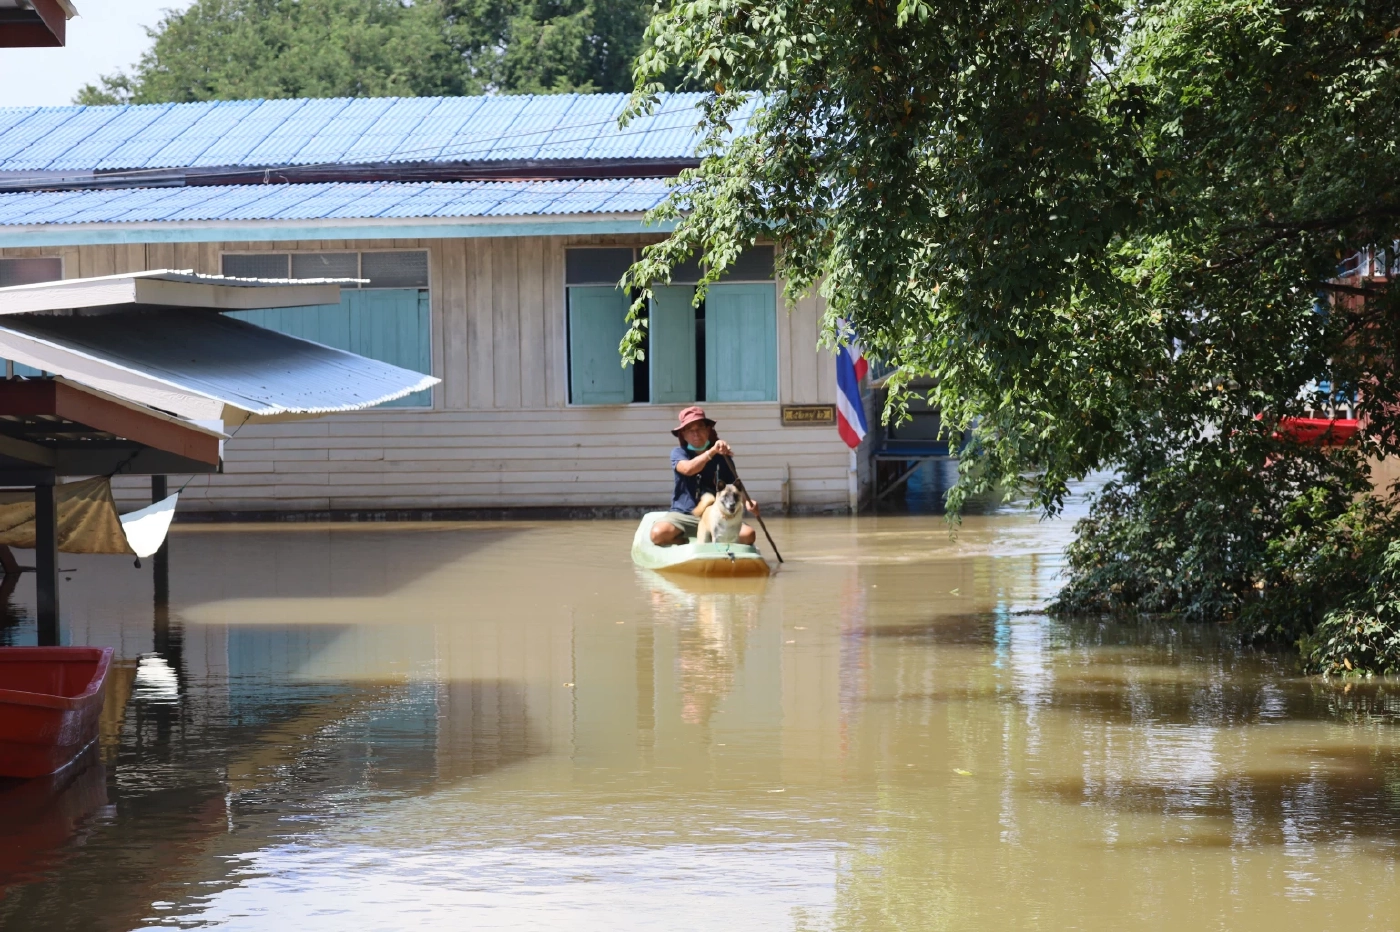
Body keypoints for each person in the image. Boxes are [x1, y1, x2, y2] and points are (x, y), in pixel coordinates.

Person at [650, 406, 761, 546]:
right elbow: (688, 469)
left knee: (748, 536)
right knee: (658, 534)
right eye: (690, 430)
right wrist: (711, 452)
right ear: (683, 434)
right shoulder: (678, 453)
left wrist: (748, 502)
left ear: (708, 430)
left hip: (717, 513)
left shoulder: (722, 458)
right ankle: (684, 542)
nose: (696, 434)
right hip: (684, 514)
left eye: (700, 428)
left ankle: (723, 548)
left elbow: (734, 487)